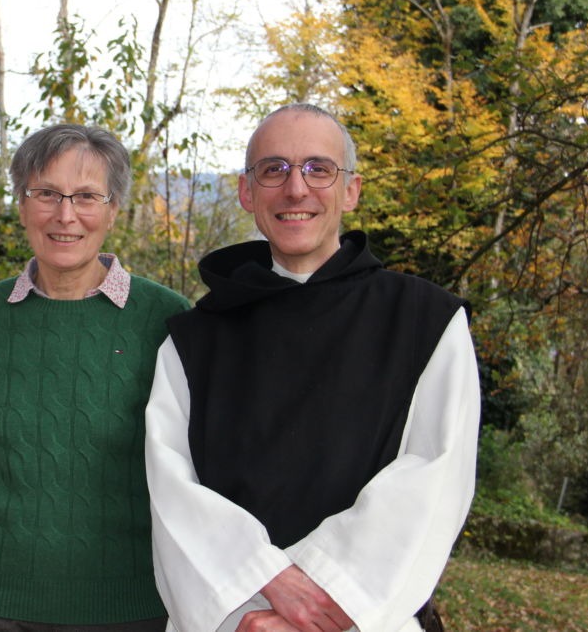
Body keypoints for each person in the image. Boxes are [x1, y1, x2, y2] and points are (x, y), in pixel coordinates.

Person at [145, 103, 480, 632]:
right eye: (273, 169)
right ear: (246, 192)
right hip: (237, 621)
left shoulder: (426, 321)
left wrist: (321, 601)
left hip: (364, 619)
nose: (296, 188)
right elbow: (172, 488)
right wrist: (262, 586)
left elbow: (435, 475)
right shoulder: (193, 339)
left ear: (351, 190)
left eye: (318, 168)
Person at [0, 124, 190, 631]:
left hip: (125, 606)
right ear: (22, 205)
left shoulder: (166, 319)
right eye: (46, 193)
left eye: (87, 197)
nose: (65, 215)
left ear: (113, 210)